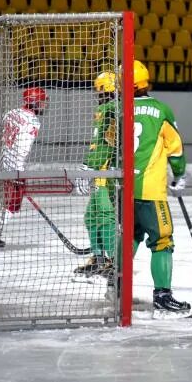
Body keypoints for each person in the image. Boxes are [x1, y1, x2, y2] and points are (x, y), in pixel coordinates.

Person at [128, 60, 191, 316]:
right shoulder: (161, 110)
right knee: (162, 242)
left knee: (129, 237)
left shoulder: (114, 109)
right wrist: (179, 175)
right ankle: (163, 297)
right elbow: (175, 149)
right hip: (151, 190)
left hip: (122, 188)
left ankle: (117, 288)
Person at [0, 86, 49, 248]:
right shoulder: (33, 122)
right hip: (12, 168)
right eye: (42, 101)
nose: (44, 105)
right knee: (12, 205)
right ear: (34, 102)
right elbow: (22, 150)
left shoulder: (10, 113)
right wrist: (18, 174)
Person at [72, 71, 119, 281]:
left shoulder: (108, 109)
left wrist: (87, 167)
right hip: (104, 168)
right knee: (92, 216)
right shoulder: (114, 108)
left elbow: (104, 144)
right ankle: (99, 258)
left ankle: (111, 260)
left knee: (105, 215)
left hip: (106, 170)